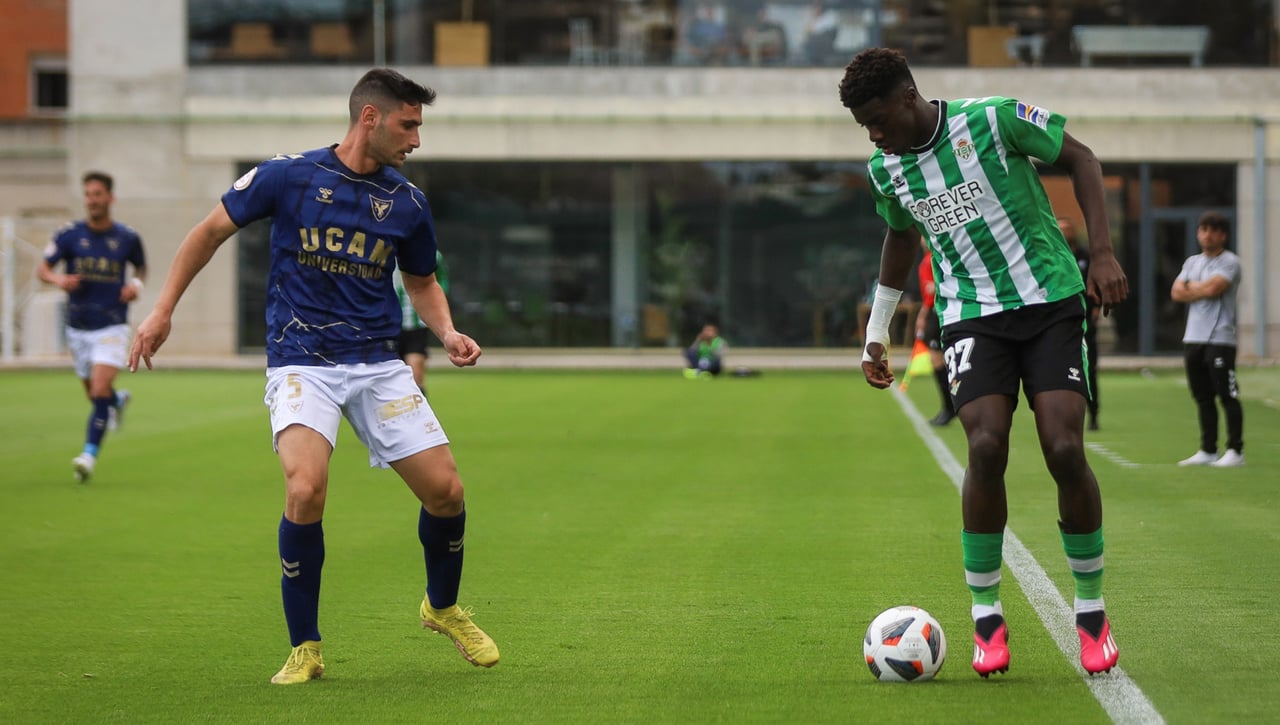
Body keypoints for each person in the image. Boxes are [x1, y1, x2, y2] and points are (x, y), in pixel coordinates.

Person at [127, 68, 499, 684]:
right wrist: (162, 309)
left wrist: (448, 333)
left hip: (378, 365)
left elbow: (422, 281)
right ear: (370, 118)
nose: (416, 139)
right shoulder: (288, 176)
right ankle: (306, 646)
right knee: (305, 489)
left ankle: (442, 607)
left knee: (448, 492)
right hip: (303, 360)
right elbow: (208, 232)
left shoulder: (407, 202)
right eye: (409, 125)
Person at [839, 48, 1130, 678]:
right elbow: (899, 236)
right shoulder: (886, 170)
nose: (874, 133)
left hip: (1050, 298)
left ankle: (1091, 610)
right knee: (987, 445)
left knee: (1063, 449)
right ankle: (986, 618)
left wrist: (1101, 252)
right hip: (971, 313)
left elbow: (1081, 158)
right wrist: (876, 330)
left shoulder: (994, 119)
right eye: (864, 125)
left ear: (908, 95)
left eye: (878, 117)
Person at [37, 171, 147, 483]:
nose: (92, 200)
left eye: (98, 194)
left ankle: (88, 456)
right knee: (96, 395)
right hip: (78, 326)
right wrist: (60, 279)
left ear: (110, 198)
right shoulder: (69, 235)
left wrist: (135, 284)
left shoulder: (127, 237)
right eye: (88, 194)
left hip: (111, 324)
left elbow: (141, 266)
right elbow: (43, 269)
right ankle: (118, 401)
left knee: (99, 389)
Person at [1171, 211, 1245, 467]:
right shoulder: (1192, 262)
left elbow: (1215, 289)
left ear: (1223, 235)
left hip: (1220, 338)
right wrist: (1196, 290)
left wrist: (1192, 288)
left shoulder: (1230, 262)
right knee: (1202, 396)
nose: (1207, 234)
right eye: (1203, 229)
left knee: (1227, 394)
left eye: (1213, 230)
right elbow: (1176, 292)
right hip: (1193, 337)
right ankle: (1208, 449)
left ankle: (1235, 450)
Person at [1059, 217, 1101, 430]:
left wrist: (1095, 309)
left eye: (1068, 228)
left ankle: (1093, 415)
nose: (1065, 232)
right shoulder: (1052, 255)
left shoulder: (1086, 257)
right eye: (1061, 229)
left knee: (1089, 370)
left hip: (1084, 322)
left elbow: (1096, 286)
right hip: (1058, 322)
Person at [914, 240, 956, 426]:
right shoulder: (927, 260)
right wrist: (922, 315)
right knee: (938, 360)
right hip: (934, 313)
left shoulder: (937, 260)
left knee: (942, 361)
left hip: (941, 313)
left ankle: (951, 407)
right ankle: (949, 406)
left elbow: (934, 289)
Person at [395, 250, 448, 393]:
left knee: (415, 374)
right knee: (391, 380)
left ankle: (418, 413)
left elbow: (440, 282)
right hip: (388, 326)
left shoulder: (431, 253)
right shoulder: (377, 249)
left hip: (417, 325)